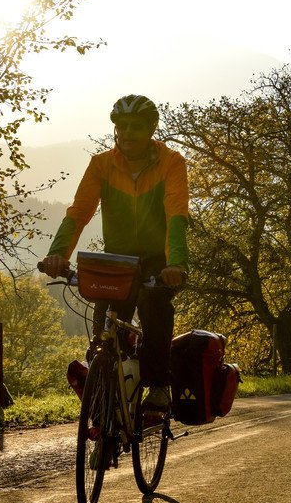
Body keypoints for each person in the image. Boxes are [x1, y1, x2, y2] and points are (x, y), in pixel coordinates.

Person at [40, 94, 188, 412]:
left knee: (153, 306)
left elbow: (177, 214)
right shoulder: (102, 164)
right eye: (122, 126)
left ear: (151, 129)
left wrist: (176, 262)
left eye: (136, 126)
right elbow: (78, 213)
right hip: (116, 261)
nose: (128, 132)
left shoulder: (171, 162)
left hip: (155, 260)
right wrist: (57, 255)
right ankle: (104, 406)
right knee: (105, 333)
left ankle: (159, 386)